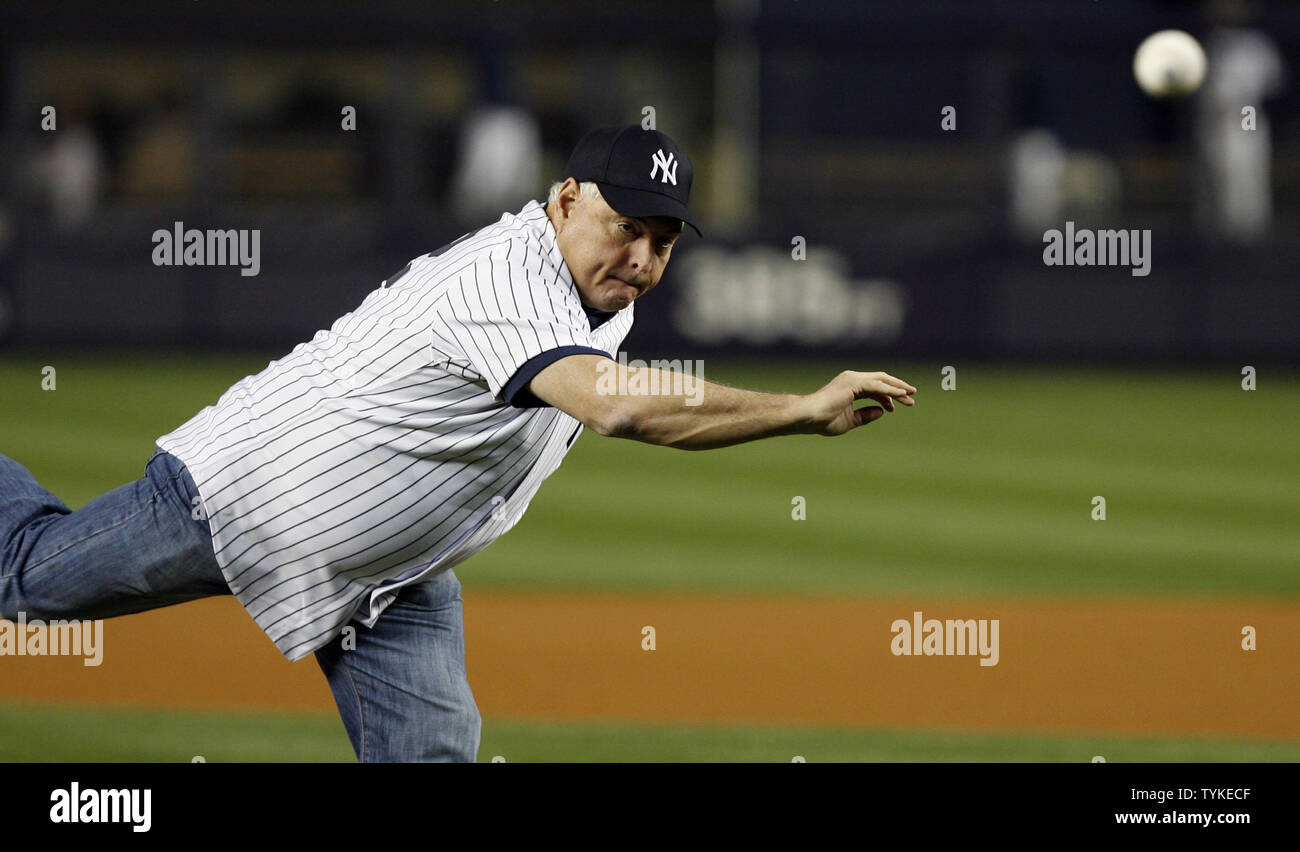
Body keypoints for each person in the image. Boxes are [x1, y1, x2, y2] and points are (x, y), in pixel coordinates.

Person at [0, 125, 915, 762]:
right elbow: (621, 410)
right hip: (243, 498)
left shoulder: (597, 293)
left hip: (388, 577)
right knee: (26, 575)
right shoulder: (508, 278)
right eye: (624, 228)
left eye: (663, 241)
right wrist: (797, 408)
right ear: (563, 201)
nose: (640, 259)